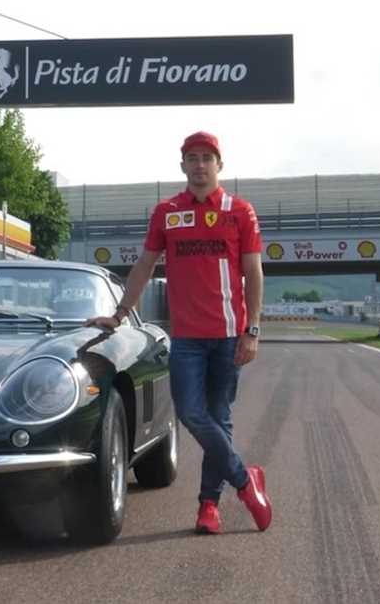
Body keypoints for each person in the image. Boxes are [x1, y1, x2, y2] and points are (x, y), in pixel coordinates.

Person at [87, 130, 272, 535]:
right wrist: (118, 314)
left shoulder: (240, 211)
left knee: (219, 420)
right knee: (191, 414)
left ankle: (209, 506)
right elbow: (144, 266)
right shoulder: (167, 212)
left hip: (228, 336)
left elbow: (254, 273)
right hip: (187, 339)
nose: (200, 165)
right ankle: (245, 480)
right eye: (193, 158)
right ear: (183, 165)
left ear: (220, 165)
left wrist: (252, 330)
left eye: (208, 158)